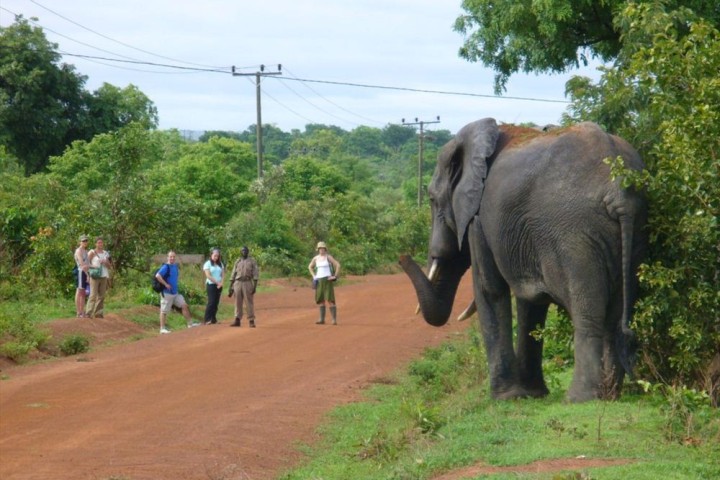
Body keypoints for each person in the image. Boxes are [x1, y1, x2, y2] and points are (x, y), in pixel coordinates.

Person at [155, 251, 200, 334]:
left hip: (175, 293)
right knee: (164, 311)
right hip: (167, 293)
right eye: (170, 257)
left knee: (184, 305)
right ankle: (162, 329)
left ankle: (190, 324)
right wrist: (166, 284)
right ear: (167, 257)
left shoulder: (175, 266)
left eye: (173, 257)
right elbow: (157, 275)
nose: (172, 258)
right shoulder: (166, 267)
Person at [308, 241, 341, 325]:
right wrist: (314, 276)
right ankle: (322, 319)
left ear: (325, 249)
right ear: (318, 249)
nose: (321, 250)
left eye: (323, 248)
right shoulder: (316, 258)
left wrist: (335, 276)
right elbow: (310, 267)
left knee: (330, 299)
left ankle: (334, 319)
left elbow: (337, 265)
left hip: (327, 280)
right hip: (319, 280)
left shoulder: (328, 257)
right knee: (321, 299)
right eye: (320, 249)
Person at [228, 246, 259, 328]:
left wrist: (254, 287)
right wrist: (230, 287)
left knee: (249, 302)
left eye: (245, 250)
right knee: (237, 302)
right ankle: (237, 320)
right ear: (240, 252)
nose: (244, 252)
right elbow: (233, 274)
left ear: (248, 252)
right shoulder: (237, 261)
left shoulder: (252, 261)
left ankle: (251, 320)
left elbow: (255, 274)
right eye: (242, 250)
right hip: (237, 283)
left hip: (247, 282)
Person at [86, 236, 113, 319]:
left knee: (101, 296)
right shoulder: (92, 252)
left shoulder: (106, 253)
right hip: (94, 276)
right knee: (93, 295)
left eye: (101, 242)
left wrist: (105, 262)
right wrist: (89, 273)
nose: (100, 244)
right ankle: (88, 313)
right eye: (99, 242)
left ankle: (98, 313)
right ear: (95, 244)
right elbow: (86, 264)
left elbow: (110, 266)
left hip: (104, 276)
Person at [203, 248, 224, 325]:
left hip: (219, 286)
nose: (216, 257)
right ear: (211, 255)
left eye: (217, 256)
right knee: (211, 302)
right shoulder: (207, 264)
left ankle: (213, 318)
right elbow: (208, 275)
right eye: (215, 256)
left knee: (216, 302)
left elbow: (223, 275)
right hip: (211, 285)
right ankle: (207, 319)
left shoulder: (220, 264)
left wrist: (221, 283)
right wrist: (217, 282)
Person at [73, 234, 90, 318]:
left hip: (85, 272)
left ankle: (82, 311)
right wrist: (87, 275)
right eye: (83, 241)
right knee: (79, 291)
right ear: (80, 242)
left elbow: (88, 264)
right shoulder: (78, 251)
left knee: (83, 293)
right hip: (80, 272)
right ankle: (78, 312)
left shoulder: (86, 251)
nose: (85, 242)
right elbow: (82, 264)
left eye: (86, 241)